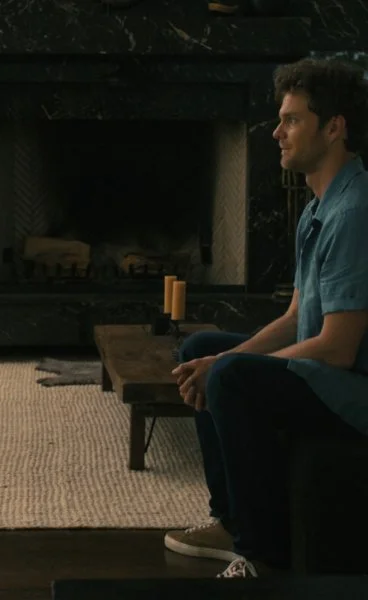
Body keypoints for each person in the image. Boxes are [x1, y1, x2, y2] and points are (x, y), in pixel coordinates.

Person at [164, 57, 368, 578]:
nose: (277, 133)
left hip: (353, 389)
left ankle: (261, 557)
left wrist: (227, 367)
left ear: (334, 127)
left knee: (229, 374)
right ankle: (231, 521)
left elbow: (338, 347)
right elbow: (298, 314)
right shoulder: (319, 205)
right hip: (325, 371)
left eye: (292, 120)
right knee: (201, 349)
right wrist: (220, 358)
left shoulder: (355, 212)